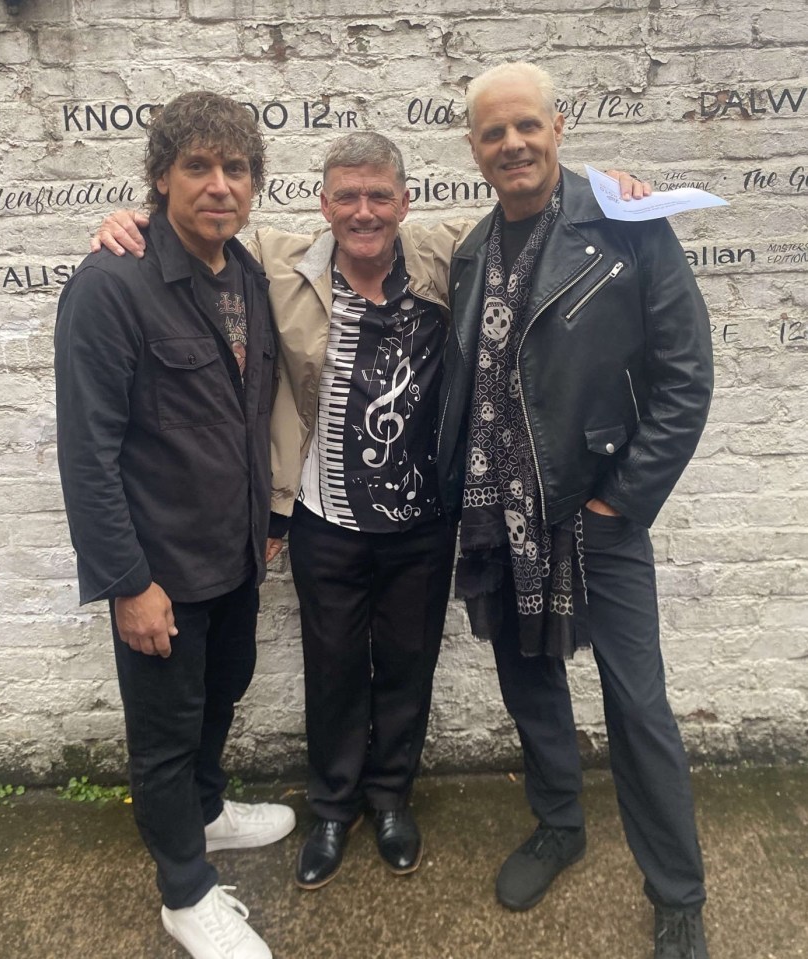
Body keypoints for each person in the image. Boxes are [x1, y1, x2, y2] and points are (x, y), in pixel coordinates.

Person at [91, 135, 647, 892]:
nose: (363, 211)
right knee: (335, 669)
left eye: (379, 195)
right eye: (346, 196)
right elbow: (195, 229)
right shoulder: (277, 262)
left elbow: (531, 206)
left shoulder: (448, 253)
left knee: (407, 668)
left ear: (405, 202)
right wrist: (130, 221)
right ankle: (331, 807)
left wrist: (604, 189)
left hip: (424, 521)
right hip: (324, 521)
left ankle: (390, 799)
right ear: (322, 205)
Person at [436, 62, 713, 959]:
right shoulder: (474, 248)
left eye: (526, 126)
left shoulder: (626, 223)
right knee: (530, 680)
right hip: (498, 513)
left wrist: (617, 500)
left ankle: (677, 893)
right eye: (492, 133)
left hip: (596, 511)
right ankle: (560, 822)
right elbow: (347, 234)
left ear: (558, 127)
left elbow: (684, 377)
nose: (511, 144)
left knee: (638, 705)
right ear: (474, 150)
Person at [55, 91, 295, 959]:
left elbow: (248, 412)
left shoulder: (249, 278)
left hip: (231, 555)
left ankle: (205, 812)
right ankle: (185, 895)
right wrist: (127, 583)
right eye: (197, 166)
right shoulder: (112, 285)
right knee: (162, 734)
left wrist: (268, 521)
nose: (219, 185)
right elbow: (88, 450)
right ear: (160, 178)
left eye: (236, 168)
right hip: (157, 570)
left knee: (219, 695)